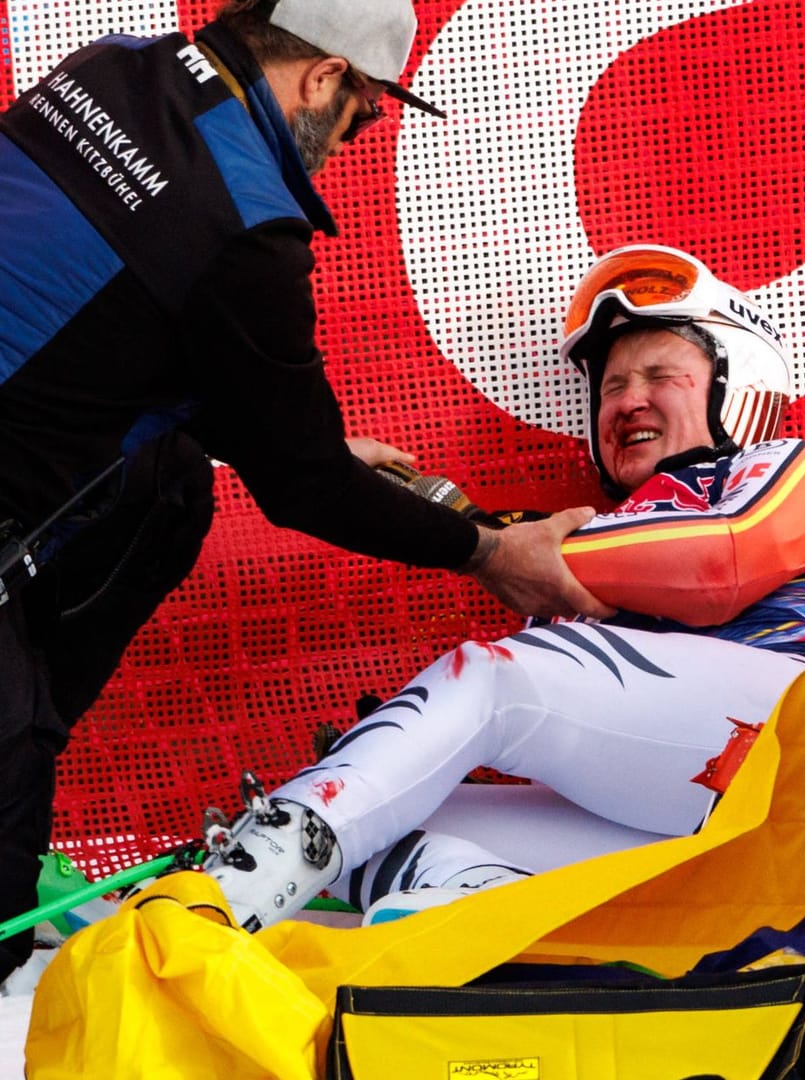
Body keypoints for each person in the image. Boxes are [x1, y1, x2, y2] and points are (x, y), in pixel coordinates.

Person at [0, 0, 612, 978]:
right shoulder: (248, 229)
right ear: (324, 80)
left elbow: (109, 303)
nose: (351, 145)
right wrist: (491, 553)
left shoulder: (110, 69)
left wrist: (282, 438)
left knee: (167, 487)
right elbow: (306, 489)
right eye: (365, 116)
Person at [199, 244, 805, 932]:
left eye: (659, 375)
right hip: (714, 850)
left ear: (737, 383)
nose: (628, 400)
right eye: (612, 386)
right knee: (388, 814)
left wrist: (482, 540)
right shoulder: (571, 548)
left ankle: (226, 893)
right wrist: (332, 474)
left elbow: (721, 562)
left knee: (492, 681)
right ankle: (479, 931)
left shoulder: (789, 467)